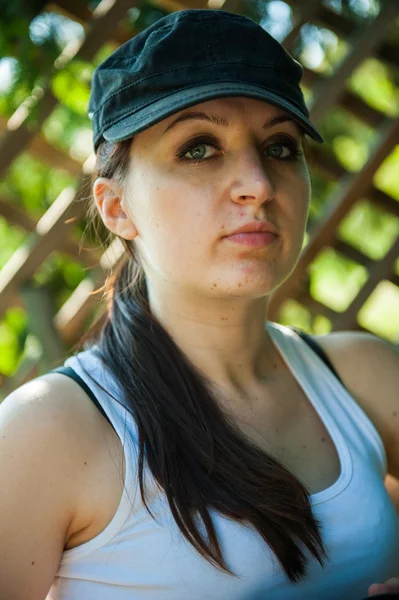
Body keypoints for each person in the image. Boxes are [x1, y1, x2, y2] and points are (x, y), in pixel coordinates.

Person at [0, 8, 398, 600]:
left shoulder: (367, 375)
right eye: (198, 148)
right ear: (116, 208)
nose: (258, 184)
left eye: (280, 147)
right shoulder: (47, 432)